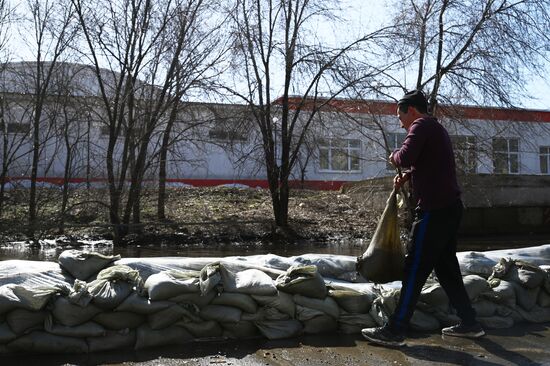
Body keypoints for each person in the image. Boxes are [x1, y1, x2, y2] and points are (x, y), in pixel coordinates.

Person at [361, 90, 484, 347]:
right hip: (450, 208)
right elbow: (428, 163)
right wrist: (409, 175)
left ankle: (395, 330)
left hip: (434, 211)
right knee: (447, 269)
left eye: (400, 115)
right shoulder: (435, 128)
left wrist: (394, 157)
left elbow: (405, 156)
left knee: (414, 268)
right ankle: (470, 323)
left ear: (412, 110)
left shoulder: (421, 125)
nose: (400, 122)